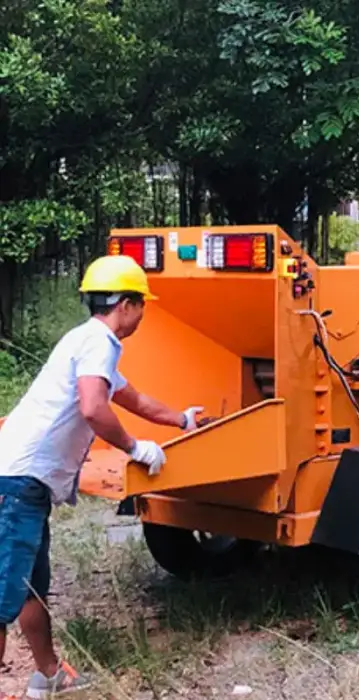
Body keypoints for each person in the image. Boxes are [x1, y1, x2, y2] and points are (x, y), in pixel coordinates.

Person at [0, 255, 203, 699]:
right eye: (141, 305)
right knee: (3, 593)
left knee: (32, 584)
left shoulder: (88, 341)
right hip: (17, 482)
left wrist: (182, 421)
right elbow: (94, 407)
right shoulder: (100, 343)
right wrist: (135, 447)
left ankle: (49, 673)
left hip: (23, 481)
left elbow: (134, 398)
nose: (143, 315)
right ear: (126, 304)